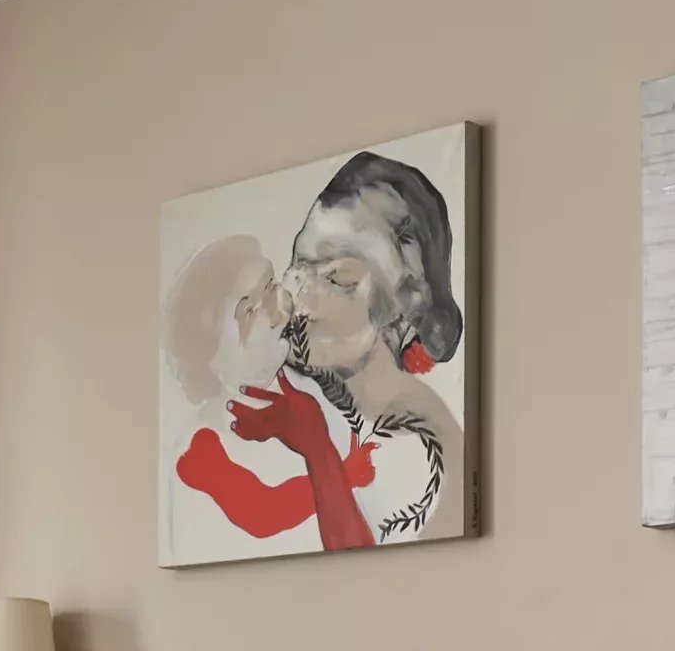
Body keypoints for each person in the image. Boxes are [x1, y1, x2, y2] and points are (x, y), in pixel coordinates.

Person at [173, 150, 465, 550]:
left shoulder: (431, 451)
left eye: (336, 278)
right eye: (297, 265)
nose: (295, 297)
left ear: (406, 301)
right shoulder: (269, 380)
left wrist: (320, 450)